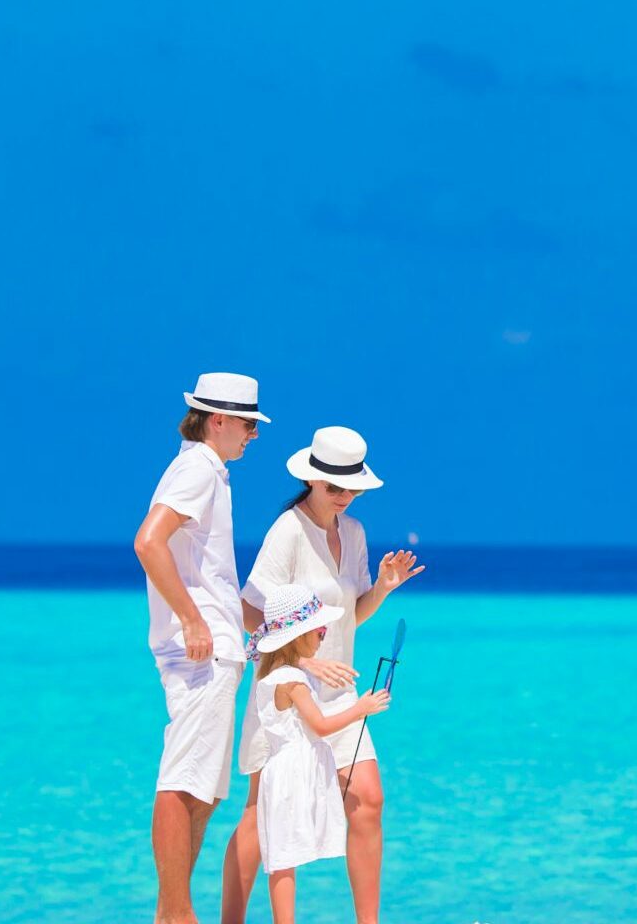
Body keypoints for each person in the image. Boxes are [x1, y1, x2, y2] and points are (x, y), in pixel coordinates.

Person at [222, 426, 425, 924]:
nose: (344, 496)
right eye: (335, 487)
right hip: (285, 686)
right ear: (312, 480)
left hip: (339, 688)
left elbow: (346, 616)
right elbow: (250, 613)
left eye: (352, 487)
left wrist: (382, 587)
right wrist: (303, 660)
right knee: (261, 814)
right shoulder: (288, 530)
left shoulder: (352, 533)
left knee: (368, 799)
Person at [132, 372, 269, 924]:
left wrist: (268, 629)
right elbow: (148, 541)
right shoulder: (197, 469)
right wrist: (192, 621)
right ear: (218, 420)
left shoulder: (207, 470)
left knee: (206, 792)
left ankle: (172, 912)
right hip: (201, 653)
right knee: (183, 780)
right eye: (248, 424)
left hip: (217, 648)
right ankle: (177, 915)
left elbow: (209, 575)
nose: (253, 435)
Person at [249, 582, 393, 924]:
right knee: (284, 855)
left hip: (278, 772)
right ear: (297, 636)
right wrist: (361, 708)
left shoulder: (272, 675)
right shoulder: (293, 681)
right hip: (290, 774)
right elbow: (320, 726)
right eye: (319, 630)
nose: (323, 637)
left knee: (282, 858)